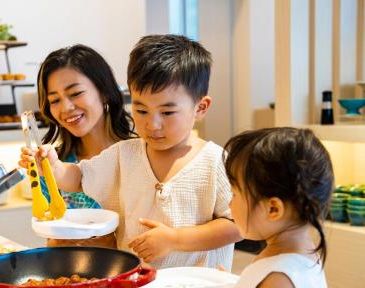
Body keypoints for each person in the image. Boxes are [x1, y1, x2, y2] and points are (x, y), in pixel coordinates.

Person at [21, 34, 241, 270]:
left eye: (167, 112)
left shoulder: (214, 160)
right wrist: (53, 167)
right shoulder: (123, 154)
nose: (152, 124)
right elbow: (78, 178)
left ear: (200, 107)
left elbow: (237, 225)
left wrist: (176, 239)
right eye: (141, 109)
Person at [162, 127, 337, 288]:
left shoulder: (279, 279)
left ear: (273, 209)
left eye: (234, 194)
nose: (230, 202)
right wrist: (240, 285)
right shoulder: (297, 251)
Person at [20, 44, 136, 247]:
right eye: (55, 100)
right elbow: (53, 241)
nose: (66, 107)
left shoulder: (138, 157)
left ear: (104, 92)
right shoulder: (52, 166)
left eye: (75, 94)